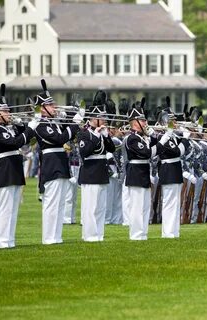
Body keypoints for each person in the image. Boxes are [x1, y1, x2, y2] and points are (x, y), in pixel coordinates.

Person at [33, 79, 81, 244]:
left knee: (60, 204)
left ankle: (56, 236)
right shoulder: (41, 125)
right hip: (52, 164)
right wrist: (74, 124)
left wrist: (73, 115)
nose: (55, 107)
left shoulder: (55, 122)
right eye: (51, 105)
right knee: (51, 204)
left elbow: (68, 134)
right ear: (42, 108)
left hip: (60, 164)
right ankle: (48, 238)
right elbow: (60, 139)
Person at [0, 84, 36, 249]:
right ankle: (1, 242)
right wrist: (29, 129)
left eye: (9, 111)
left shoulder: (9, 128)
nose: (9, 114)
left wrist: (22, 124)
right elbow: (15, 142)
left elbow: (22, 138)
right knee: (4, 208)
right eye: (5, 111)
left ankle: (9, 241)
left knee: (13, 209)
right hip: (6, 170)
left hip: (14, 169)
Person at [77, 91, 115, 242]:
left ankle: (99, 234)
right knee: (90, 208)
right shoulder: (84, 133)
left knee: (100, 208)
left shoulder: (102, 132)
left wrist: (106, 136)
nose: (104, 120)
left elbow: (111, 149)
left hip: (101, 172)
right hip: (90, 173)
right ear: (93, 119)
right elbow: (84, 152)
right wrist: (97, 136)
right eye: (101, 118)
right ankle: (89, 235)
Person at [124, 98, 157, 240]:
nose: (145, 123)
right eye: (142, 120)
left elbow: (155, 147)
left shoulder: (143, 137)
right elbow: (147, 153)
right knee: (137, 207)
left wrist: (153, 136)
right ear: (135, 122)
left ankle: (143, 233)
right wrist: (157, 141)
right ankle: (136, 234)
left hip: (143, 172)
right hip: (136, 173)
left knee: (145, 206)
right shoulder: (132, 138)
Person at [155, 106, 189, 237]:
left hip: (175, 170)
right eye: (173, 121)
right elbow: (177, 152)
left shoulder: (172, 136)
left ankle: (174, 231)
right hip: (168, 170)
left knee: (175, 203)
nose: (176, 124)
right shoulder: (161, 136)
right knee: (169, 203)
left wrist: (184, 136)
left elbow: (185, 149)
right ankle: (168, 232)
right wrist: (185, 139)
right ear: (165, 122)